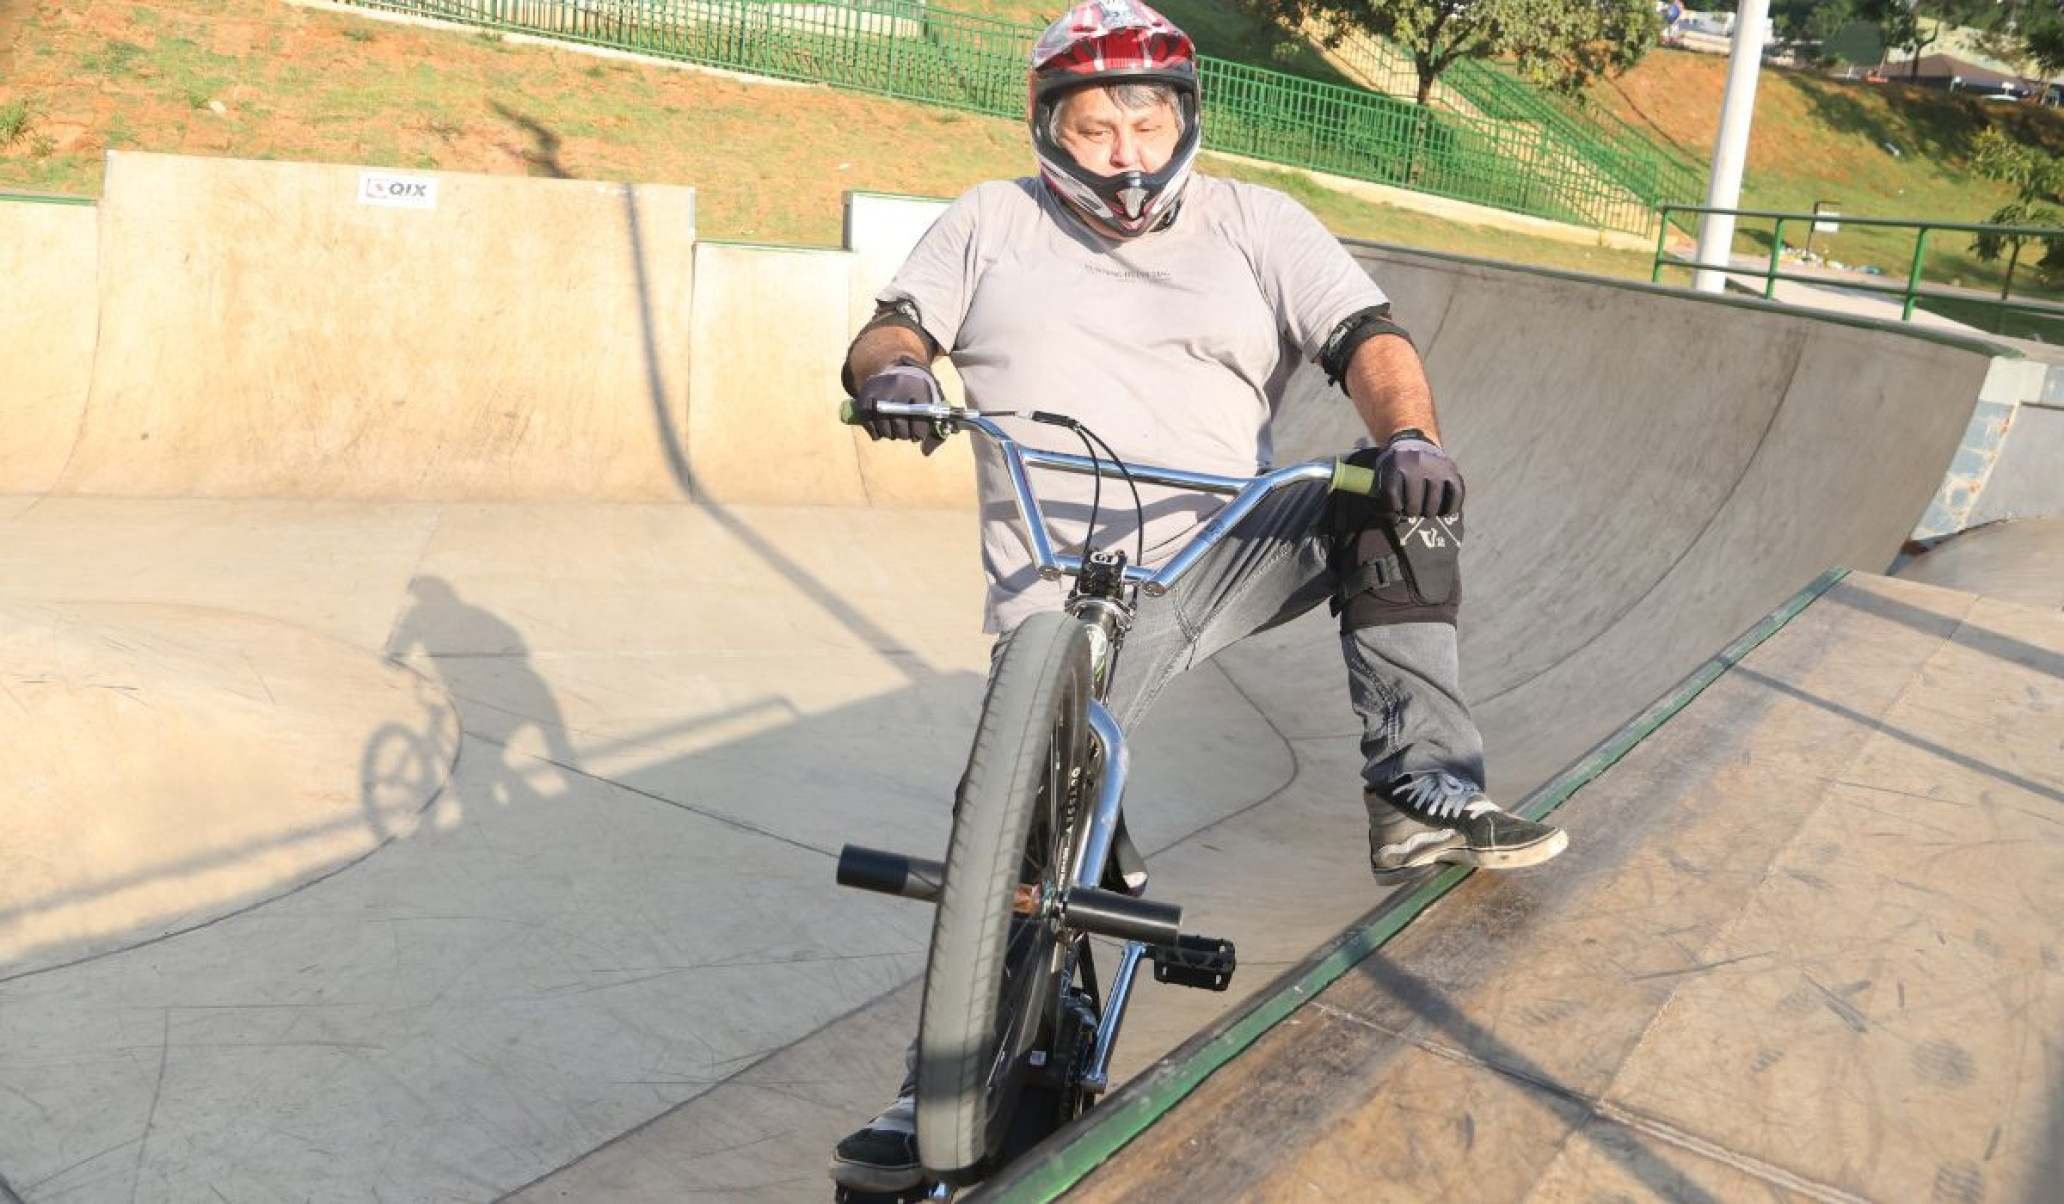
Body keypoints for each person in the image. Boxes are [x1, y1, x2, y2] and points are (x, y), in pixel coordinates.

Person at [830, 2, 1567, 1193]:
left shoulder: (1256, 221)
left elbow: (1367, 335)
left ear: (1184, 121)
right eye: (1095, 123)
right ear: (1047, 129)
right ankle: (945, 1081)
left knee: (1396, 495)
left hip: (1219, 546)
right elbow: (889, 331)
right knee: (1012, 831)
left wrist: (1413, 434)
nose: (1124, 148)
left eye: (1146, 119)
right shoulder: (987, 222)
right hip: (1050, 591)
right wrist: (901, 372)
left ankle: (1420, 787)